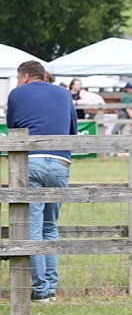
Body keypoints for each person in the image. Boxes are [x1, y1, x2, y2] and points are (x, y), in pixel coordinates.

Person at [6, 60, 78, 302]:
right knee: (50, 226)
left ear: (25, 76)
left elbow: (13, 129)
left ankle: (41, 290)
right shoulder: (64, 93)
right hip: (60, 162)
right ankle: (51, 288)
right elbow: (73, 130)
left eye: (18, 78)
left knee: (34, 227)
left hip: (31, 160)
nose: (18, 82)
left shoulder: (17, 94)